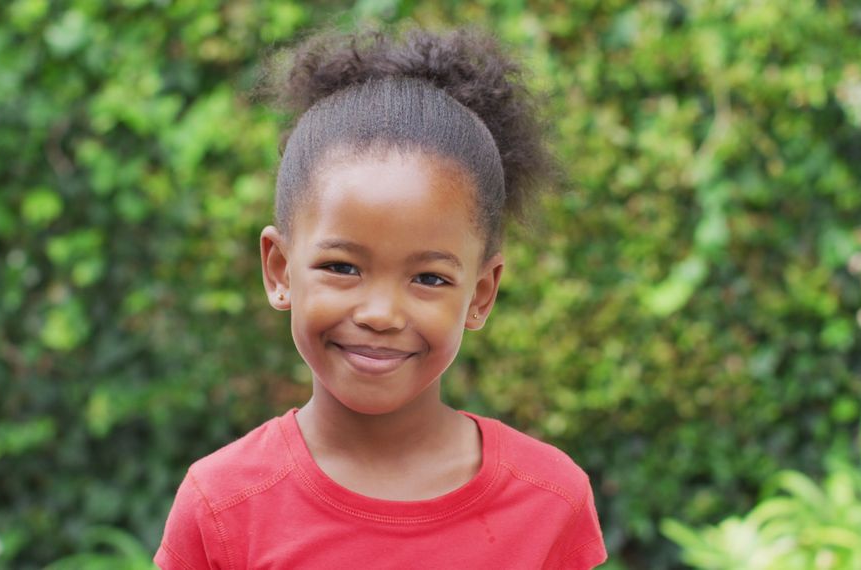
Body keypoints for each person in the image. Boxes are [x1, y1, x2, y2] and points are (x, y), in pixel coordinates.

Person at [155, 25, 607, 569]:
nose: (380, 314)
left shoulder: (550, 501)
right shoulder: (222, 505)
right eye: (342, 267)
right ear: (280, 270)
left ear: (481, 293)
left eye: (430, 278)